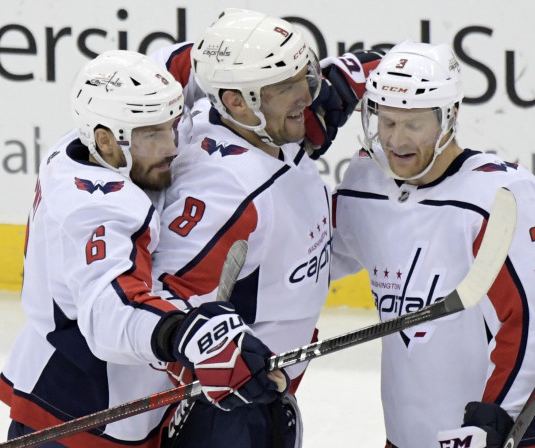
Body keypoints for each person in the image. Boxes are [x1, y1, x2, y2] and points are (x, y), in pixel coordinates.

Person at [0, 50, 284, 447]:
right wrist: (188, 332)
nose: (172, 146)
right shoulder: (97, 211)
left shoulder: (81, 145)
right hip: (81, 412)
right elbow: (109, 309)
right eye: (152, 134)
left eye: (172, 126)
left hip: (90, 387)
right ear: (106, 140)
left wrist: (238, 61)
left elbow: (177, 68)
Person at [145, 8, 379, 448]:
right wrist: (217, 353)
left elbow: (294, 253)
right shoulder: (224, 194)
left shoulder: (266, 135)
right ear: (237, 102)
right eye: (285, 88)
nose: (307, 98)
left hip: (262, 396)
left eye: (303, 77)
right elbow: (161, 302)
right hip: (222, 414)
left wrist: (361, 72)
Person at [330, 41, 535, 448]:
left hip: (509, 432)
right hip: (410, 432)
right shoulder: (366, 183)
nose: (396, 141)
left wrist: (497, 416)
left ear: (450, 117)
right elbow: (310, 264)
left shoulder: (498, 194)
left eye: (414, 124)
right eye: (387, 122)